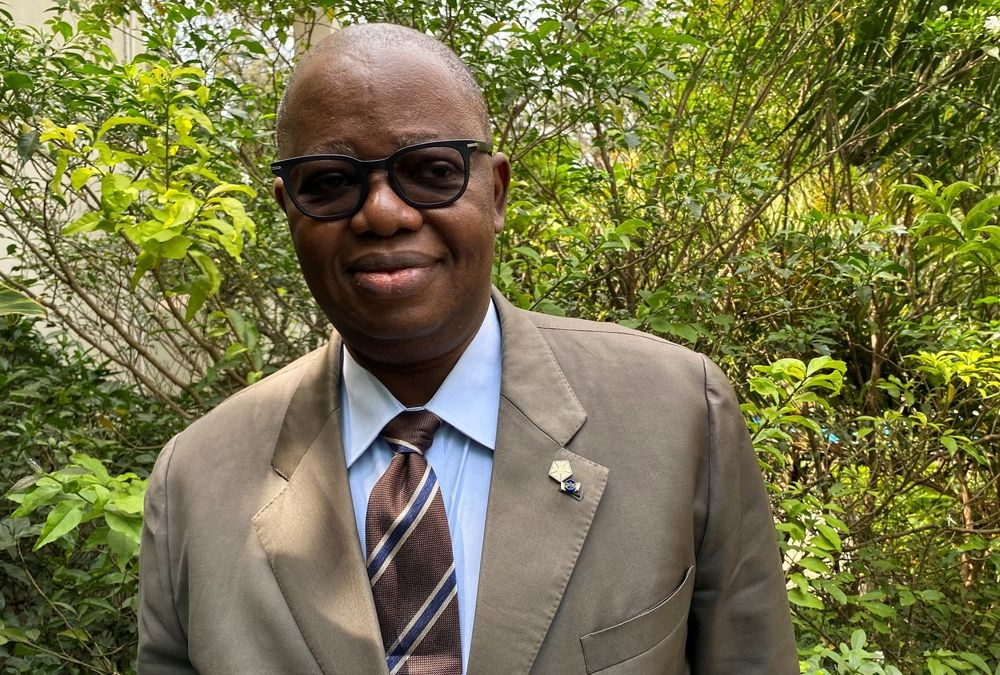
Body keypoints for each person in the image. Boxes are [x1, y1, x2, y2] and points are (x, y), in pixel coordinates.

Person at [137, 22, 798, 674]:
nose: (383, 212)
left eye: (430, 170)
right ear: (289, 208)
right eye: (330, 181)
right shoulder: (195, 483)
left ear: (498, 191)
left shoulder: (676, 414)